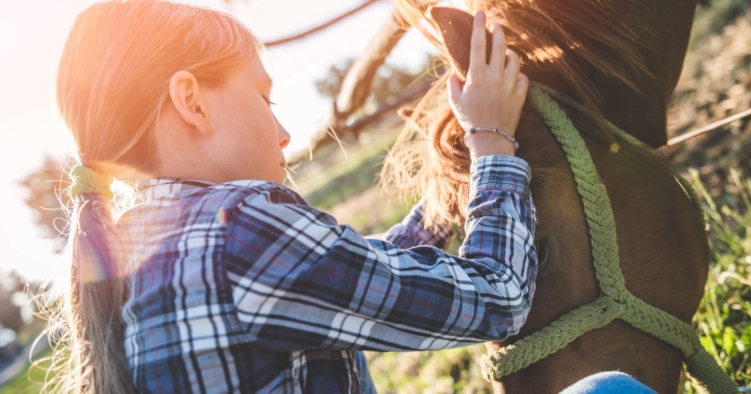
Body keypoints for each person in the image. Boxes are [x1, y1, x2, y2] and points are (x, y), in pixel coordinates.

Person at [53, 1, 536, 393]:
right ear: (193, 103)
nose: (284, 133)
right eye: (265, 99)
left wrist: (440, 203)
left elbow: (347, 283)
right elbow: (501, 298)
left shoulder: (138, 250)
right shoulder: (238, 230)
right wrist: (490, 138)